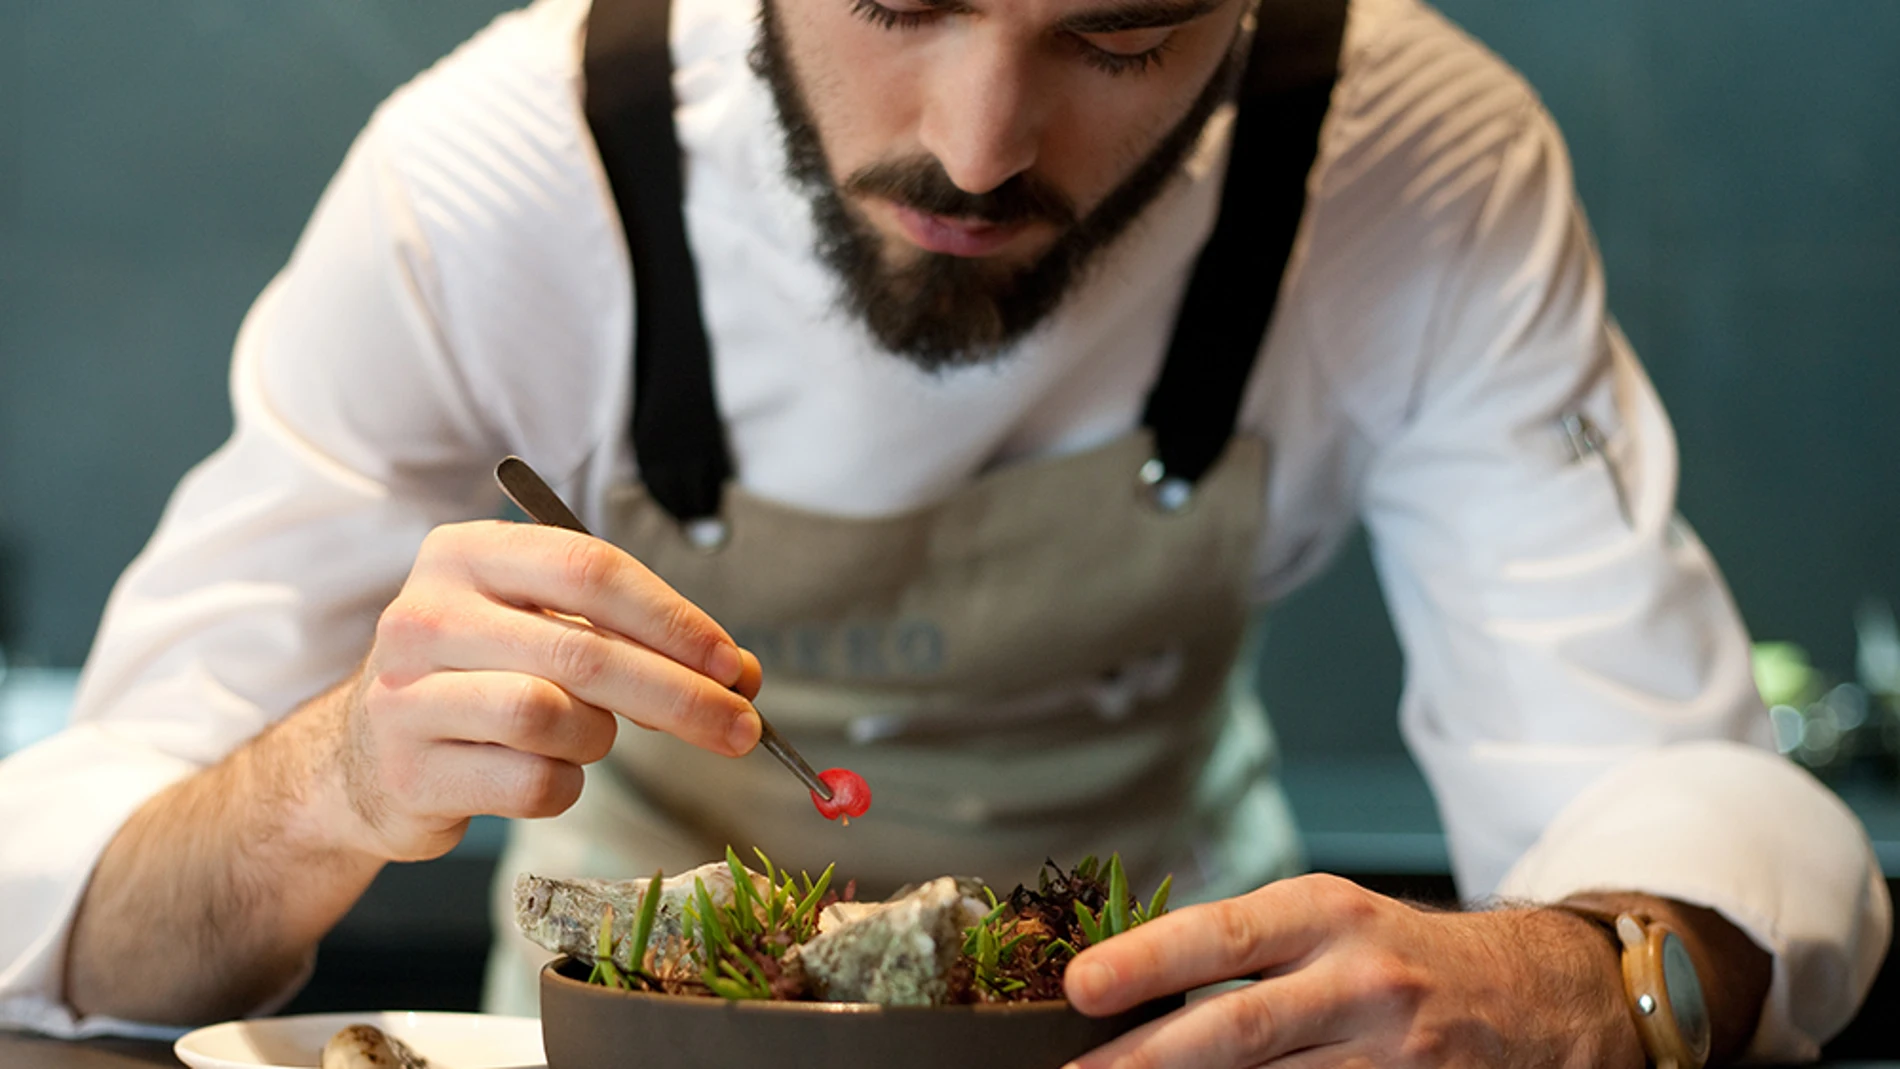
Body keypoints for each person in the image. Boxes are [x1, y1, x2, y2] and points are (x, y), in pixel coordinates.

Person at [0, 0, 1886, 1062]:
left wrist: (1582, 987)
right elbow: (80, 911)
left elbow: (1658, 792)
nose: (980, 147)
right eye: (902, 1)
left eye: (1125, 35)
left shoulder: (1418, 165)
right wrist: (333, 771)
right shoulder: (496, 185)